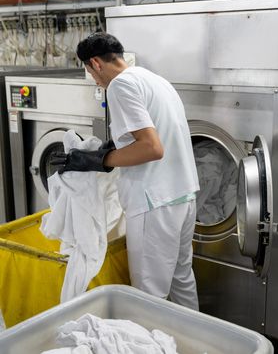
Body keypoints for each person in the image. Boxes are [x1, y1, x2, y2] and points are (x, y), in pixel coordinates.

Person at [51, 32, 200, 311]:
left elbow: (151, 148)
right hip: (184, 195)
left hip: (154, 202)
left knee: (148, 295)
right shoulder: (153, 79)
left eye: (89, 72)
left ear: (95, 62)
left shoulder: (119, 86)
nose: (95, 81)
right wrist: (106, 149)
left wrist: (100, 161)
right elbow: (151, 135)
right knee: (182, 280)